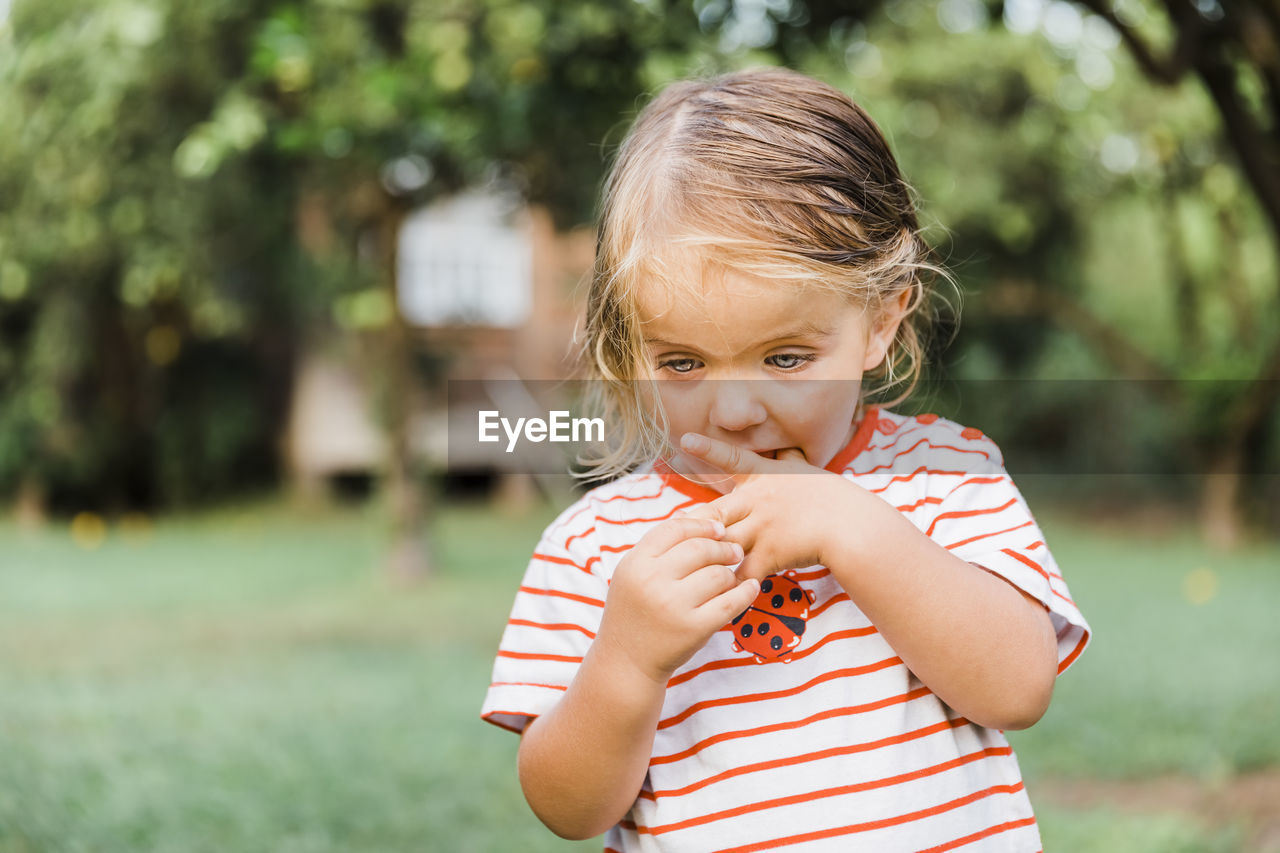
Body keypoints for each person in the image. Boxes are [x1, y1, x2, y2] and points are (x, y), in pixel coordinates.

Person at [481, 67, 1091, 852]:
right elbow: (569, 809)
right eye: (683, 363)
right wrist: (626, 661)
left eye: (785, 358)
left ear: (879, 320)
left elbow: (1018, 683)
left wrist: (854, 527)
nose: (734, 411)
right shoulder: (596, 546)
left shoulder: (942, 474)